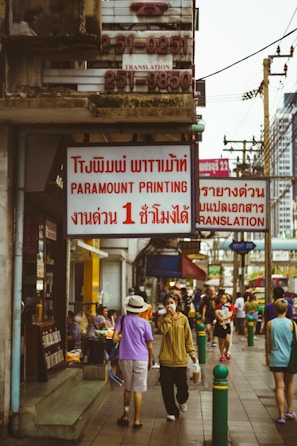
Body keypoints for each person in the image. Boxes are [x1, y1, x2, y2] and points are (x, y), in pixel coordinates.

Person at [113, 295, 153, 429]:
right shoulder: (145, 323)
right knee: (138, 390)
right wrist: (150, 360)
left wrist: (122, 339)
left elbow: (114, 338)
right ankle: (137, 419)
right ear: (140, 310)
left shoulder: (122, 320)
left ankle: (125, 415)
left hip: (125, 357)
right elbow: (150, 345)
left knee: (127, 388)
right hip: (142, 358)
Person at [158, 292, 197, 421]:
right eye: (167, 303)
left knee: (182, 386)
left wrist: (191, 353)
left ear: (176, 304)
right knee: (166, 387)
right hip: (166, 359)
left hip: (181, 360)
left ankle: (182, 400)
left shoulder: (183, 319)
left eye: (172, 303)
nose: (170, 305)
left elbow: (188, 337)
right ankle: (171, 411)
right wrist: (169, 316)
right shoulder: (162, 319)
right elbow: (164, 331)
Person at [265, 298, 296, 424]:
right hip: (290, 359)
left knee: (279, 386)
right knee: (290, 384)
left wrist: (267, 355)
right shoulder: (292, 324)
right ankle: (289, 410)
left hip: (276, 358)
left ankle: (281, 415)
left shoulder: (270, 324)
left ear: (275, 309)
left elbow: (268, 342)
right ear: (287, 310)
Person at [213, 293, 235, 361]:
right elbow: (216, 313)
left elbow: (231, 313)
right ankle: (222, 354)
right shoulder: (217, 306)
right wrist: (220, 318)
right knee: (221, 340)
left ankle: (227, 351)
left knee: (227, 340)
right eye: (222, 298)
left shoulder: (230, 306)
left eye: (224, 298)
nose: (223, 300)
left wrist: (224, 318)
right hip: (219, 324)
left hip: (227, 324)